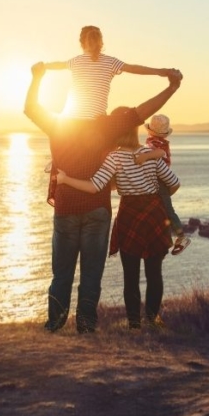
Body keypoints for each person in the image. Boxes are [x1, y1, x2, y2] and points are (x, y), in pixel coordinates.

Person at [23, 61, 182, 334]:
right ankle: (86, 324)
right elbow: (144, 111)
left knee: (62, 273)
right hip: (98, 210)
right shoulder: (108, 126)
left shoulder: (58, 124)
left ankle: (55, 323)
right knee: (91, 274)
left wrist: (37, 78)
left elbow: (30, 108)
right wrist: (172, 87)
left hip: (66, 208)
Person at [56, 124, 180, 329]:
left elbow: (94, 186)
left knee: (130, 276)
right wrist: (157, 198)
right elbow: (174, 182)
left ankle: (134, 324)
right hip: (154, 215)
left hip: (129, 215)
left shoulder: (114, 157)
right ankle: (152, 319)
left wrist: (65, 179)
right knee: (154, 273)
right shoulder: (150, 153)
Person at [44, 25, 175, 119]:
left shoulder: (75, 61)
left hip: (72, 120)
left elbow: (58, 65)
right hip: (97, 120)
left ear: (81, 43)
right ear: (101, 42)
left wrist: (43, 66)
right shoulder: (111, 62)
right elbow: (133, 68)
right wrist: (159, 71)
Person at [136, 114, 190, 255]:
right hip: (159, 179)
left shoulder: (157, 143)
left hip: (160, 179)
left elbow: (159, 153)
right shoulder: (157, 141)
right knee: (162, 209)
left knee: (167, 209)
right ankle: (166, 237)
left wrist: (145, 156)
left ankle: (181, 236)